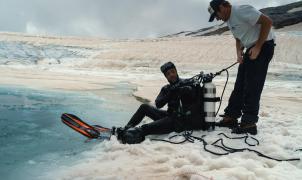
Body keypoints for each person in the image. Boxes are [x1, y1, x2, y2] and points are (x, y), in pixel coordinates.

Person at [208, 0, 276, 135]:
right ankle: (231, 117)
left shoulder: (241, 10)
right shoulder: (229, 20)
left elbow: (267, 22)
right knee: (240, 84)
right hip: (251, 48)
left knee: (252, 86)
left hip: (264, 46)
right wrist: (239, 52)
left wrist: (258, 47)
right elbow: (238, 38)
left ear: (222, 6)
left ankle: (249, 123)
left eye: (217, 14)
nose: (217, 18)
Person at [116, 62, 207, 144]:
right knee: (144, 107)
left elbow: (196, 98)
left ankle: (129, 137)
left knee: (145, 128)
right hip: (169, 116)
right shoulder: (167, 88)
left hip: (180, 122)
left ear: (176, 71)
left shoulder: (188, 83)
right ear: (166, 77)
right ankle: (127, 128)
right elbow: (159, 104)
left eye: (173, 71)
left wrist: (187, 89)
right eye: (168, 74)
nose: (171, 75)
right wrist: (170, 92)